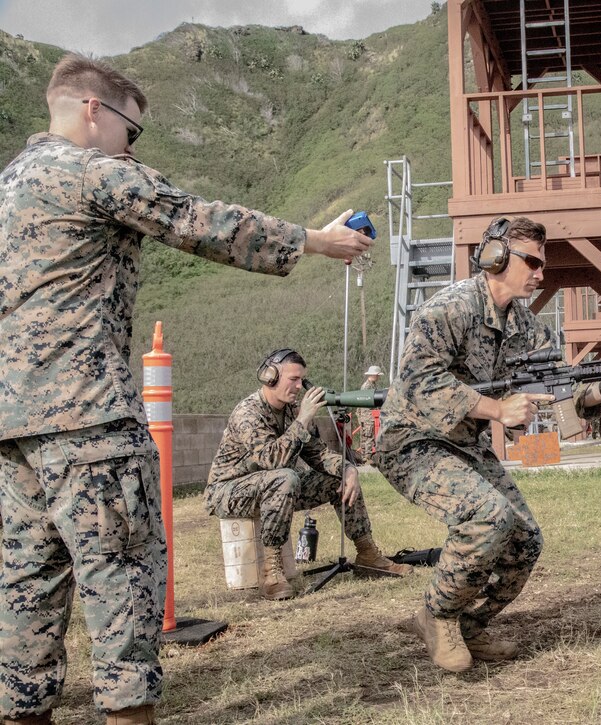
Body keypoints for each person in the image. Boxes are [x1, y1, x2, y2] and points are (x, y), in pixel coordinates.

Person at [0, 55, 373, 725]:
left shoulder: (8, 187)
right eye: (131, 132)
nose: (132, 147)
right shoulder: (90, 171)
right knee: (123, 594)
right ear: (93, 109)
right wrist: (315, 241)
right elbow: (197, 219)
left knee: (26, 599)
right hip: (89, 424)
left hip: (14, 430)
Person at [373, 216, 601, 673]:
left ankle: (470, 625)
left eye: (543, 263)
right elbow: (419, 381)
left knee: (524, 541)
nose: (541, 272)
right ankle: (436, 616)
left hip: (464, 445)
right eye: (532, 261)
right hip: (413, 440)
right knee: (488, 516)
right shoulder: (448, 310)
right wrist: (498, 410)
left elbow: (566, 393)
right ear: (496, 258)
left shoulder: (528, 328)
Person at [204, 350, 410, 601]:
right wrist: (303, 418)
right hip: (228, 491)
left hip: (275, 487)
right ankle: (271, 571)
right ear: (270, 377)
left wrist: (348, 469)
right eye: (293, 379)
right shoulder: (248, 412)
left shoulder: (292, 411)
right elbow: (272, 460)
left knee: (337, 478)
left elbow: (319, 455)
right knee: (285, 477)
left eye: (302, 380)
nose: (299, 386)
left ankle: (366, 553)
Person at [353, 365, 384, 463]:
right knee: (368, 435)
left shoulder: (372, 385)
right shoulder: (367, 387)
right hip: (367, 415)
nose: (379, 377)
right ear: (374, 375)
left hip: (369, 414)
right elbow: (366, 401)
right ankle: (367, 456)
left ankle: (365, 456)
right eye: (378, 375)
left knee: (367, 435)